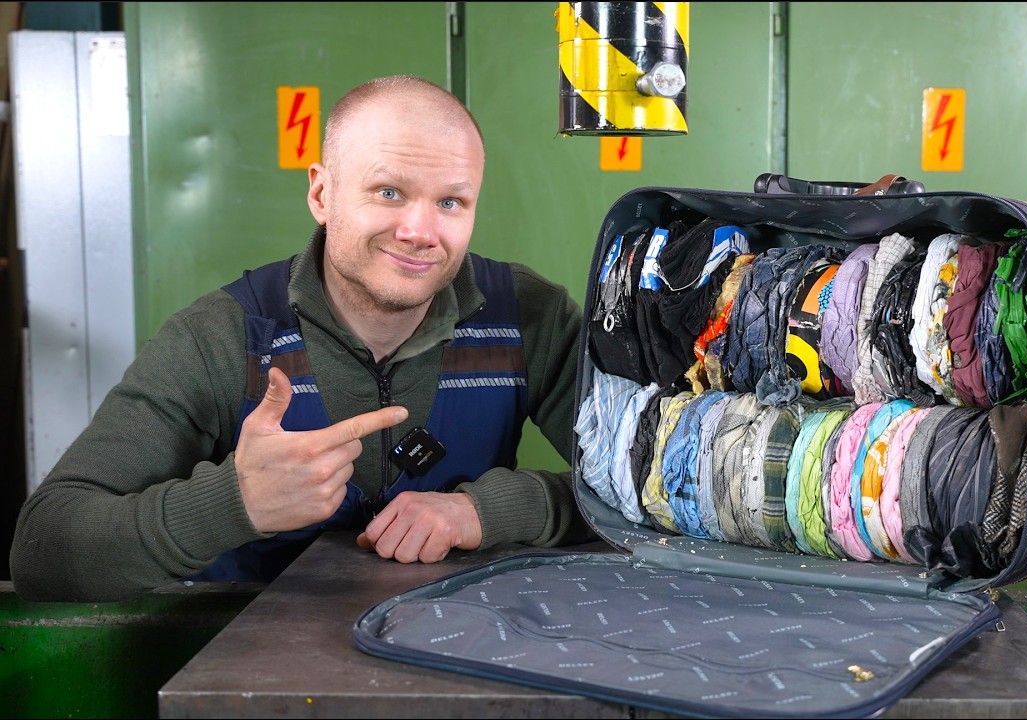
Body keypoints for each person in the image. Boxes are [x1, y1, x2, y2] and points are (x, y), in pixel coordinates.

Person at [9, 75, 595, 602]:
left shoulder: (528, 316)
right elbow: (45, 550)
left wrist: (487, 512)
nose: (420, 232)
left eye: (450, 202)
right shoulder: (223, 336)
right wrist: (233, 503)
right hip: (250, 671)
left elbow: (657, 497)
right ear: (321, 194)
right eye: (388, 192)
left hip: (463, 647)